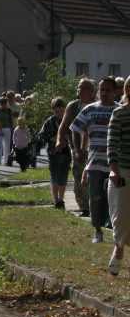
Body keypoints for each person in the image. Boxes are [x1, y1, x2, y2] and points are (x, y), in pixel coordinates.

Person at [71, 76, 118, 243]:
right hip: (95, 163)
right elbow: (75, 128)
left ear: (115, 92)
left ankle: (114, 230)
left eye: (108, 90)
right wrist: (78, 150)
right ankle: (97, 230)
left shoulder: (119, 111)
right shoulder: (90, 109)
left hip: (115, 164)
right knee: (95, 198)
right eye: (102, 90)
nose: (104, 93)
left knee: (113, 199)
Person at [58, 78, 97, 216]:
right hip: (77, 147)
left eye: (84, 88)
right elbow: (64, 126)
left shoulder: (97, 105)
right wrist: (59, 140)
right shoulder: (73, 106)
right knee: (79, 177)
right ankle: (84, 207)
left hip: (95, 148)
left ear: (92, 92)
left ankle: (95, 205)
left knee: (95, 177)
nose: (80, 90)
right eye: (79, 87)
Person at [106, 76, 130, 275]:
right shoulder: (119, 113)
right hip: (123, 170)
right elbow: (112, 144)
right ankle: (119, 246)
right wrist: (114, 169)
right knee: (120, 215)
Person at [40, 97, 71, 209]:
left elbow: (74, 133)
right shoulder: (49, 121)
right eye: (56, 111)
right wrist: (51, 138)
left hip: (66, 152)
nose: (59, 113)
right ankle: (55, 199)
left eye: (61, 110)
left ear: (65, 109)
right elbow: (42, 135)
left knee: (63, 175)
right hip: (53, 153)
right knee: (54, 175)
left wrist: (67, 138)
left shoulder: (68, 120)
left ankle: (61, 199)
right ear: (53, 110)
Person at [0, 97, 14, 166]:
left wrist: (11, 128)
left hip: (7, 128)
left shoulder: (9, 111)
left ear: (6, 104)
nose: (3, 105)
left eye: (4, 103)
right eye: (2, 103)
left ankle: (6, 160)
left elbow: (11, 120)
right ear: (0, 104)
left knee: (7, 145)